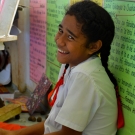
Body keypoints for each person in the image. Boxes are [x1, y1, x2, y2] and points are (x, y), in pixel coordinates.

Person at [0, 1, 123, 135]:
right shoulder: (69, 65)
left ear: (93, 46)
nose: (59, 40)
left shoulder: (84, 77)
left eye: (70, 37)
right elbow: (52, 124)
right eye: (60, 31)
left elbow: (67, 134)